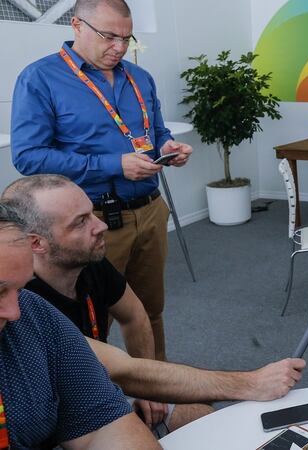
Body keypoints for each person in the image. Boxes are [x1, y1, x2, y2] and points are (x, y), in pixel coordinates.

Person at [2, 174, 306, 433]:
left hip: (100, 388)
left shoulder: (88, 261)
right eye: (80, 222)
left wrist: (148, 392)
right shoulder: (24, 301)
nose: (101, 226)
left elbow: (135, 316)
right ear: (36, 243)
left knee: (201, 414)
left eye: (92, 213)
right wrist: (248, 384)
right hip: (56, 417)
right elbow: (124, 371)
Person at [10, 0, 193, 361]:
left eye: (127, 38)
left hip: (150, 211)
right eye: (109, 36)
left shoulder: (139, 78)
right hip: (90, 220)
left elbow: (154, 132)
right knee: (94, 322)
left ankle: (159, 393)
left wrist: (167, 146)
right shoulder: (40, 78)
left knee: (149, 311)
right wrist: (113, 164)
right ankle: (98, 402)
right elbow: (28, 156)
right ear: (77, 26)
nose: (120, 47)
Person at [0, 202, 160, 449]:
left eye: (18, 289)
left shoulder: (33, 310)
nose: (14, 312)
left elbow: (103, 424)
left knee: (196, 414)